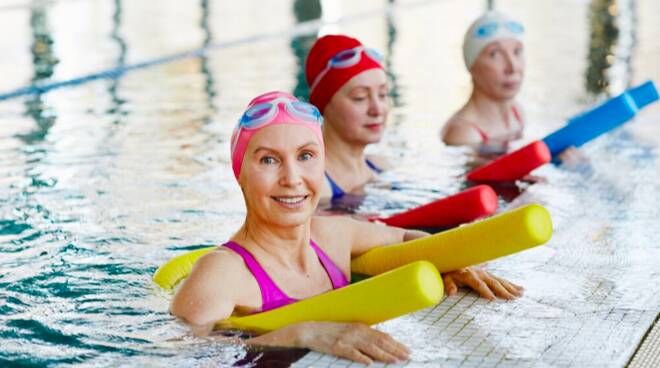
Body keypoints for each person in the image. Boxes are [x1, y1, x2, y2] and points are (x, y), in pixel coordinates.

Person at [171, 91, 524, 364]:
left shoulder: (333, 236)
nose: (292, 178)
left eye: (306, 156)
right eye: (268, 160)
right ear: (240, 174)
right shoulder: (221, 273)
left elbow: (404, 237)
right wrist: (303, 332)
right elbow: (185, 350)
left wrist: (451, 263)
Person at [441, 11, 583, 163]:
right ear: (471, 65)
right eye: (495, 54)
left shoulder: (517, 113)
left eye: (517, 51)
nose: (512, 66)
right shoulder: (463, 133)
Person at [305, 35, 391, 200]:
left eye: (382, 94)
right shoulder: (317, 188)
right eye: (360, 98)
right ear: (324, 105)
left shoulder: (380, 166)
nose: (377, 110)